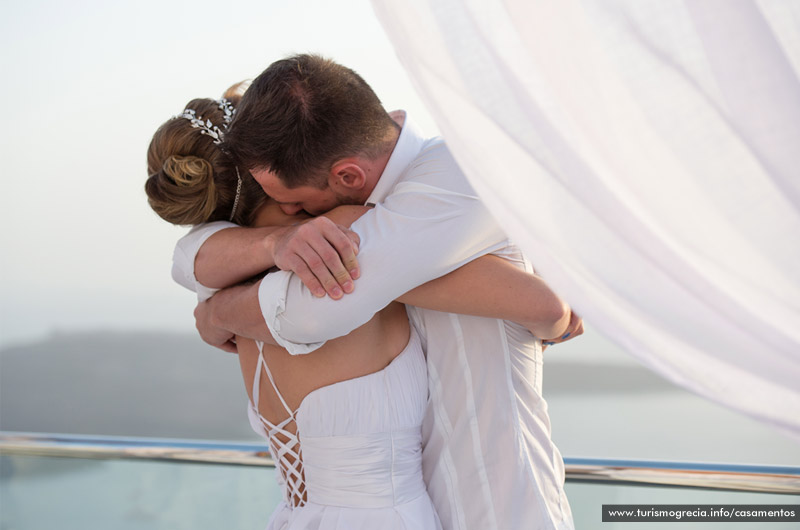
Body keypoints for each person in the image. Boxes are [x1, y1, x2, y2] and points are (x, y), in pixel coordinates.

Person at [146, 84, 578, 530]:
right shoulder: (345, 239)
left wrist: (216, 312)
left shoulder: (221, 277)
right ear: (272, 182)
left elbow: (190, 259)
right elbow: (543, 305)